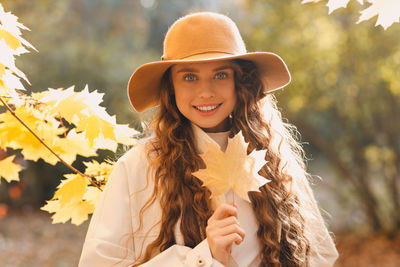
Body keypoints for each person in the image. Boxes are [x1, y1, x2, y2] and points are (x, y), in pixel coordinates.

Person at [79, 12, 339, 267]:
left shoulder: (273, 158)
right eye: (190, 77)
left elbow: (320, 255)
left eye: (221, 75)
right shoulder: (139, 167)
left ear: (241, 81)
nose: (206, 92)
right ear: (171, 86)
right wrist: (204, 258)